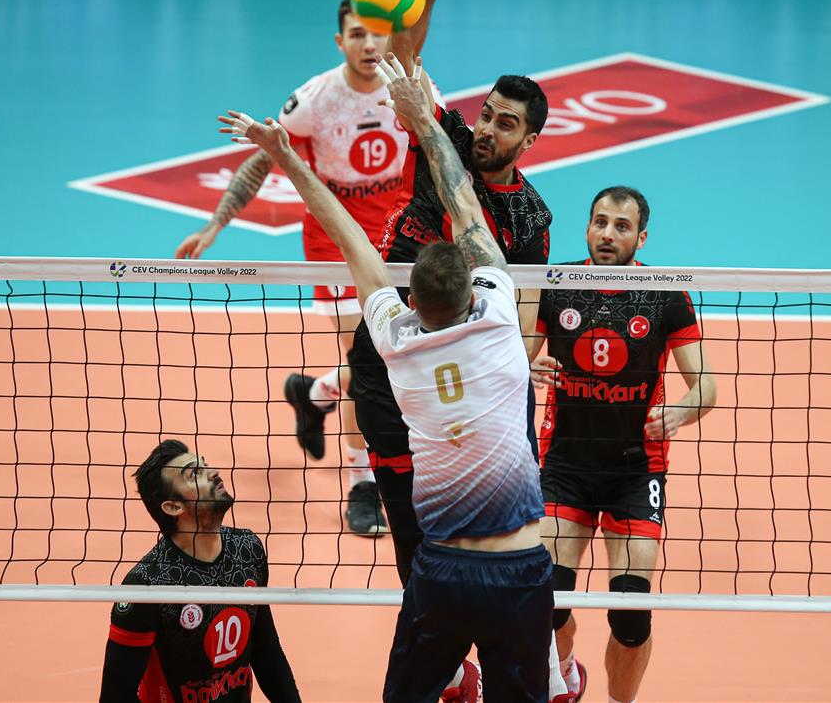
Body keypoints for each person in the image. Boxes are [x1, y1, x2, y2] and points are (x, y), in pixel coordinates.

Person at [221, 55, 554, 702]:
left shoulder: (398, 334)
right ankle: (493, 671)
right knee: (411, 535)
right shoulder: (495, 319)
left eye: (505, 123)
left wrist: (286, 156)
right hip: (505, 547)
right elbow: (462, 199)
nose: (487, 128)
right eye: (486, 115)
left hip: (426, 400)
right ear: (478, 284)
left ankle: (452, 659)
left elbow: (353, 240)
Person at [175, 0, 448, 538]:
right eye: (357, 34)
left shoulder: (408, 85)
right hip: (336, 245)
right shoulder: (316, 101)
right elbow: (263, 159)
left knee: (400, 352)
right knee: (373, 360)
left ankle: (316, 392)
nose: (370, 44)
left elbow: (422, 69)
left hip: (401, 238)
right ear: (339, 41)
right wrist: (217, 222)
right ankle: (362, 484)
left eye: (379, 34)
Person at [527, 187, 717, 703]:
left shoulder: (664, 293)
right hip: (565, 465)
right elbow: (515, 357)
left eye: (622, 226)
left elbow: (706, 387)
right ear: (588, 227)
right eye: (600, 222)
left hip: (637, 472)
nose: (608, 234)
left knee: (630, 616)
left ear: (641, 237)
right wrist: (526, 364)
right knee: (545, 604)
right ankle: (566, 668)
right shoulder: (556, 284)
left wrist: (679, 412)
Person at [99, 439, 300, 703]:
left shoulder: (247, 549)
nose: (212, 472)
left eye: (204, 465)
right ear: (173, 506)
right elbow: (115, 696)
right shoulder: (147, 586)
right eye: (194, 474)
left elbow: (266, 651)